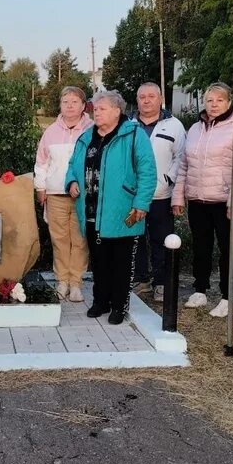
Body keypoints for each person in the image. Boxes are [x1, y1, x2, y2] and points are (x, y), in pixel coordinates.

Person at [66, 89, 156, 325]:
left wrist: (141, 203)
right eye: (96, 109)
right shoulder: (86, 137)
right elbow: (72, 164)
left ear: (117, 111)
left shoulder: (134, 135)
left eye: (103, 109)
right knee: (99, 262)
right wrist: (72, 181)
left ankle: (118, 306)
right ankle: (100, 301)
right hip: (92, 212)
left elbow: (147, 172)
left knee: (122, 264)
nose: (97, 113)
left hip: (123, 211)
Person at [172, 82, 233, 318]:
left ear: (229, 102)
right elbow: (184, 165)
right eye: (210, 100)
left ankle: (228, 295)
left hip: (224, 201)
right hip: (198, 199)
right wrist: (179, 196)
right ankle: (200, 289)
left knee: (229, 248)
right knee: (201, 245)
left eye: (219, 100)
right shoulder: (196, 128)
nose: (214, 105)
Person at [34, 86, 94, 302]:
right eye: (65, 101)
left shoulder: (92, 130)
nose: (69, 106)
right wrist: (41, 188)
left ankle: (76, 283)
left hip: (82, 196)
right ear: (60, 105)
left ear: (83, 105)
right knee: (59, 239)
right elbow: (41, 163)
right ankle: (62, 281)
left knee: (79, 240)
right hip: (56, 194)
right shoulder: (50, 132)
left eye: (74, 102)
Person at [129, 82, 186, 301]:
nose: (146, 100)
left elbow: (181, 158)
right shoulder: (129, 125)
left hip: (162, 195)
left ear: (160, 99)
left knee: (162, 240)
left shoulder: (174, 126)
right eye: (142, 96)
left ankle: (161, 283)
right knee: (136, 239)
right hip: (133, 195)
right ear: (137, 100)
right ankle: (141, 279)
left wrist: (169, 181)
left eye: (151, 96)